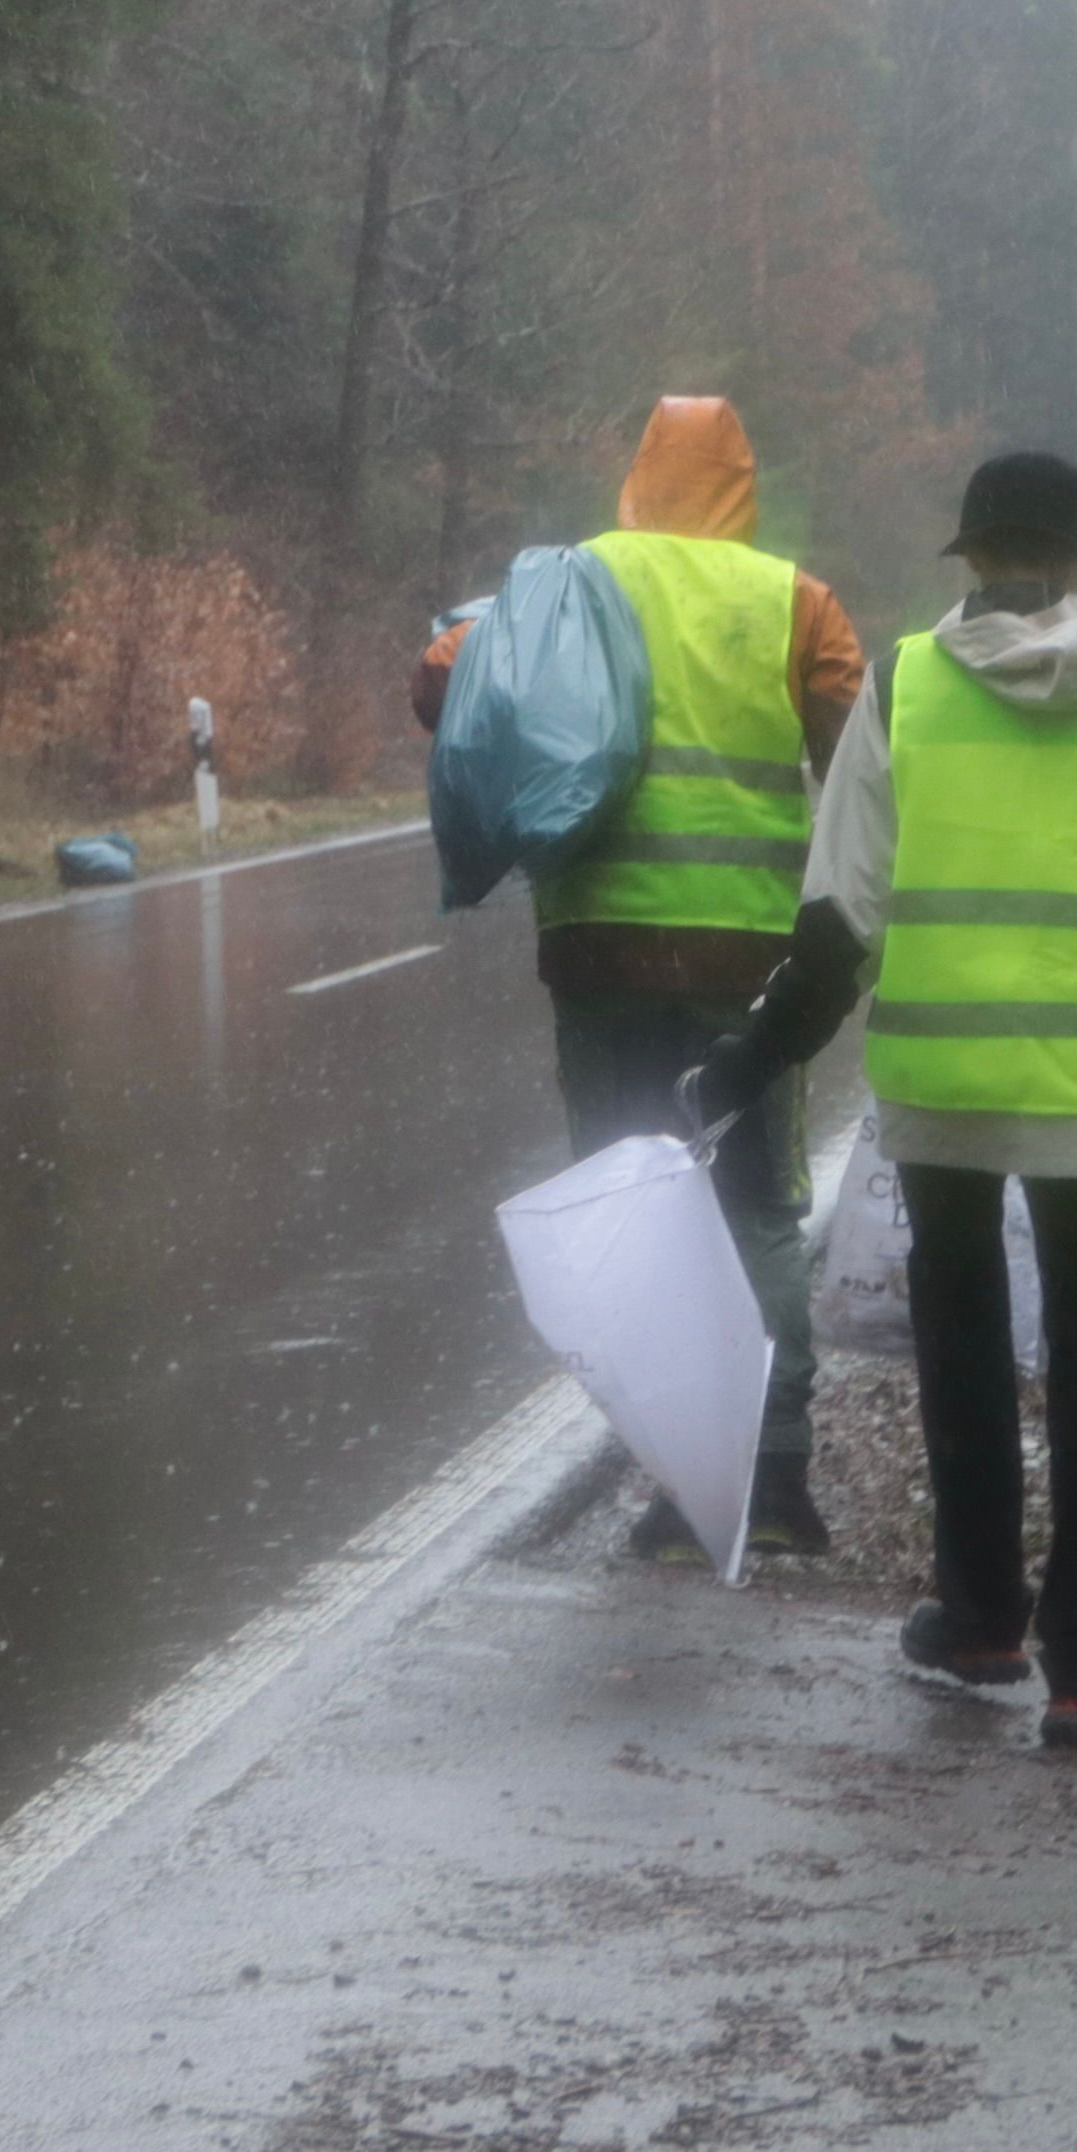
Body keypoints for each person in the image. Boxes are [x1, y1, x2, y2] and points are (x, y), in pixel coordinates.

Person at [685, 450, 1077, 1753]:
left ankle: (982, 1613)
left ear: (973, 560)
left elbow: (838, 916)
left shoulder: (908, 685)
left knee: (966, 1343)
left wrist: (748, 1061)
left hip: (941, 1082)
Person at [417, 396, 860, 1557]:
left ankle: (678, 1477)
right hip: (749, 969)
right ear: (743, 483)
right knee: (755, 1202)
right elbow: (860, 754)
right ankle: (775, 1477)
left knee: (642, 1207)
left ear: (640, 475)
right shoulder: (794, 600)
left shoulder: (573, 583)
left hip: (601, 954)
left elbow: (442, 685)